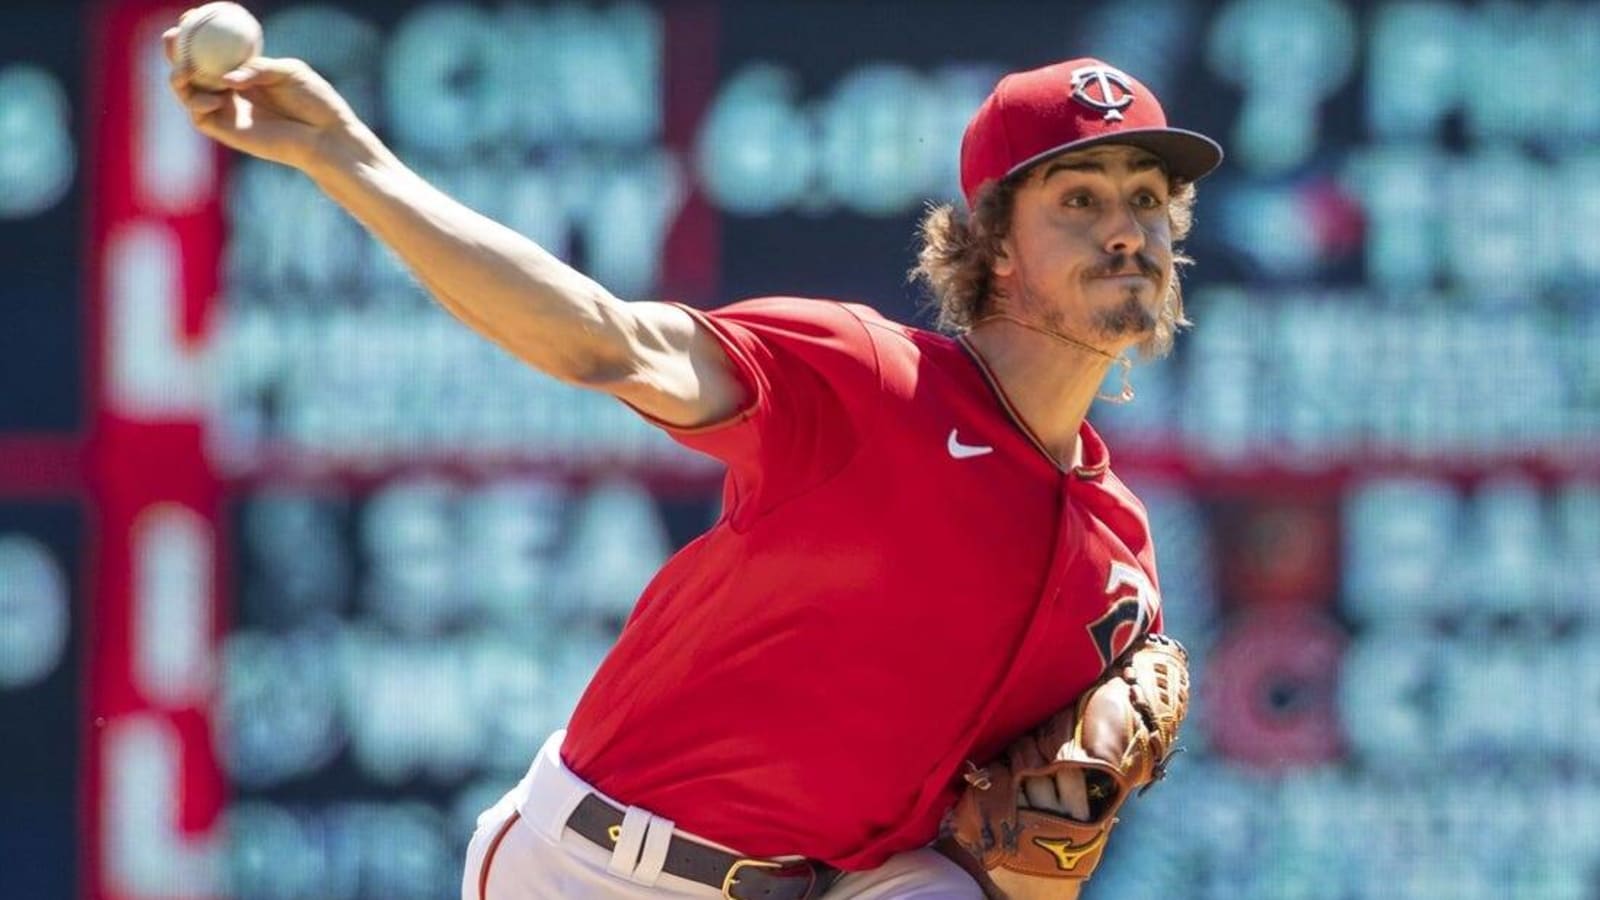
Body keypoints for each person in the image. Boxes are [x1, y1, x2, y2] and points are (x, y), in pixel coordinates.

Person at [164, 14, 1221, 897]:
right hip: (594, 869)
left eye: (1145, 199)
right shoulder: (869, 380)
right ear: (990, 243)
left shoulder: (1117, 555)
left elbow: (1016, 841)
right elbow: (602, 339)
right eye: (1078, 199)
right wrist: (343, 156)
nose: (1125, 229)